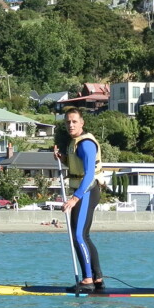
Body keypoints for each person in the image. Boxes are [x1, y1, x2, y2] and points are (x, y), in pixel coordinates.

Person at [55, 108, 104, 292]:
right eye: (68, 122)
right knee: (84, 236)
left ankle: (88, 280)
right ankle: (97, 278)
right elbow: (77, 165)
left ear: (82, 123)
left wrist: (75, 199)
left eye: (74, 121)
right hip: (83, 191)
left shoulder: (86, 144)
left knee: (78, 236)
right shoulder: (73, 143)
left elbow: (89, 174)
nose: (71, 125)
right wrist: (63, 158)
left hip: (88, 191)